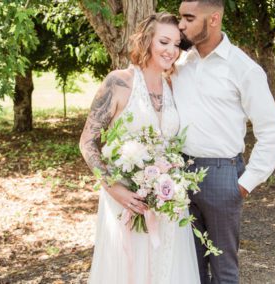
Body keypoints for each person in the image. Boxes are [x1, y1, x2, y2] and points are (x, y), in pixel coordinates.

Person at [79, 12, 200, 284]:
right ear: (147, 41)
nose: (171, 51)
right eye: (164, 42)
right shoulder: (119, 82)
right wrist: (114, 188)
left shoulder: (172, 84)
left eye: (177, 44)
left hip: (167, 204)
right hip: (126, 201)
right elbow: (87, 141)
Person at [173, 1, 275, 283]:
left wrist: (244, 185)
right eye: (180, 17)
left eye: (188, 18)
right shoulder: (178, 62)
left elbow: (271, 132)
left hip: (223, 177)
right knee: (188, 268)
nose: (181, 25)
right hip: (177, 177)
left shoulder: (243, 68)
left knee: (224, 271)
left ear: (213, 19)